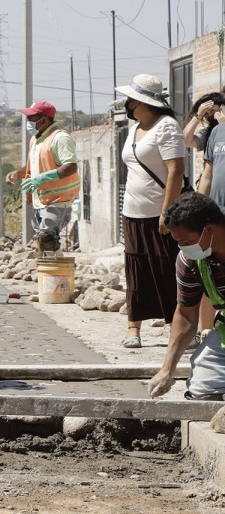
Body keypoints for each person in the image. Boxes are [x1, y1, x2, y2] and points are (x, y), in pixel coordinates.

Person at [115, 74, 185, 348]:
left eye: (130, 99)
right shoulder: (135, 129)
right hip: (132, 211)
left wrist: (167, 212)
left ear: (142, 102)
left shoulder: (166, 127)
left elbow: (176, 170)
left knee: (166, 269)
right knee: (136, 270)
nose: (127, 103)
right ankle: (133, 329)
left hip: (159, 213)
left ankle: (176, 329)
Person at [148, 192, 225, 400]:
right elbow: (186, 314)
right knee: (203, 388)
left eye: (186, 241)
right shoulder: (191, 261)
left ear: (208, 230)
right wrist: (167, 369)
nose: (183, 248)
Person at [5, 100, 79, 254]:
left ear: (43, 120)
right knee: (45, 242)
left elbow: (71, 166)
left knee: (47, 238)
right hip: (41, 200)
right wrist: (18, 174)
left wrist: (42, 178)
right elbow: (35, 165)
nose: (28, 122)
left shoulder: (60, 138)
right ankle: (51, 273)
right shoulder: (36, 139)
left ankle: (56, 274)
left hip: (58, 200)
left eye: (31, 119)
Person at [186, 91, 225, 344]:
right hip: (217, 211)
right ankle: (204, 331)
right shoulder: (214, 134)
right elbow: (208, 173)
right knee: (207, 272)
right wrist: (198, 209)